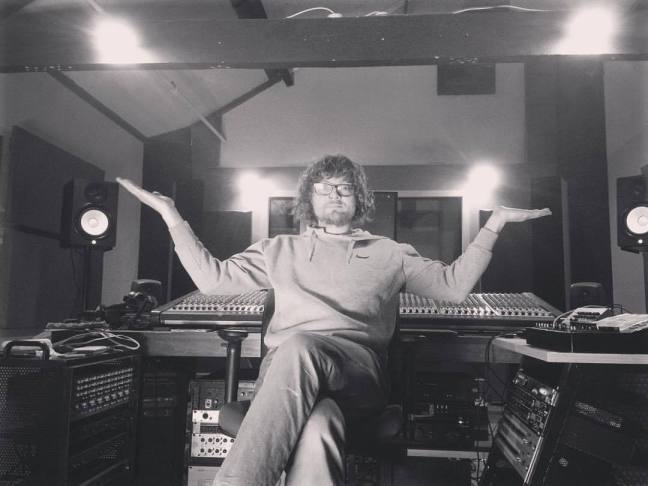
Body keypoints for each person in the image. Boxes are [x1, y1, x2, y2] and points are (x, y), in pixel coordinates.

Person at [117, 154, 550, 486]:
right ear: (308, 200)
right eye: (323, 189)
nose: (334, 195)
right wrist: (171, 216)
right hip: (287, 379)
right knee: (319, 422)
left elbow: (453, 288)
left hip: (357, 376)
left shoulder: (390, 253)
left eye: (344, 188)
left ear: (360, 199)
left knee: (300, 346)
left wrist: (494, 225)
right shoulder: (277, 249)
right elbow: (213, 280)